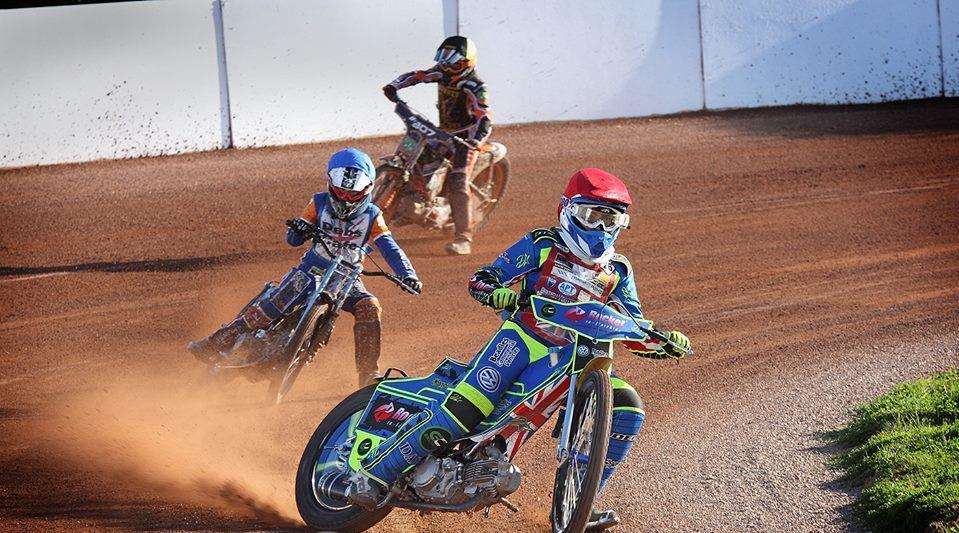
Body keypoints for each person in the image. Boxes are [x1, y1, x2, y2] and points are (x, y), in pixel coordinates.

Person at [348, 168, 691, 529]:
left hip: (582, 355)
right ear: (568, 211)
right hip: (523, 341)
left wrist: (663, 341)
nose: (601, 229)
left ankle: (580, 504)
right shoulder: (544, 244)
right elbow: (482, 279)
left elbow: (634, 323)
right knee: (465, 410)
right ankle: (374, 475)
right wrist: (499, 292)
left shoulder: (618, 270)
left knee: (629, 409)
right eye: (592, 216)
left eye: (612, 220)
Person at [188, 148, 422, 387]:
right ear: (330, 184)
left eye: (352, 195)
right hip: (311, 271)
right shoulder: (318, 203)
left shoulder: (373, 215)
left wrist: (408, 275)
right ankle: (218, 340)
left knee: (370, 307)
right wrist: (299, 229)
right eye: (340, 192)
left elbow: (390, 247)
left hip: (347, 279)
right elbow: (293, 240)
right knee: (270, 310)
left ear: (367, 189)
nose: (345, 199)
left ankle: (368, 376)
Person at [382, 35, 491, 256]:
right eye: (444, 60)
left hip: (465, 139)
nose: (446, 66)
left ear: (466, 62)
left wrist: (476, 140)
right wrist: (394, 86)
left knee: (458, 181)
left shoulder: (475, 86)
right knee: (412, 163)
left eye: (452, 62)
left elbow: (485, 116)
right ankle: (408, 202)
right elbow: (417, 76)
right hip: (442, 132)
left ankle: (463, 239)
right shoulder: (441, 73)